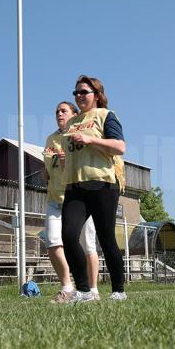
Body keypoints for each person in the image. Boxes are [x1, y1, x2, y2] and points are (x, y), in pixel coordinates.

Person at [61, 75, 127, 302]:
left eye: (83, 92)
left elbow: (119, 147)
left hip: (102, 184)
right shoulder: (71, 123)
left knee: (106, 237)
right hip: (74, 186)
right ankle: (84, 290)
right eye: (76, 93)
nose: (79, 96)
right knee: (68, 237)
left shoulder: (106, 115)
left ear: (97, 95)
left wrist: (90, 140)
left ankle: (119, 290)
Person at [42, 101, 100, 303]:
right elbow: (47, 166)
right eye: (56, 111)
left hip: (79, 198)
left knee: (87, 245)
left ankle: (92, 290)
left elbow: (89, 163)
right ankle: (67, 287)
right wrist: (46, 172)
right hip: (55, 198)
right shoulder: (51, 138)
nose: (59, 113)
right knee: (52, 242)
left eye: (63, 110)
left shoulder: (79, 134)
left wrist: (68, 161)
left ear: (74, 114)